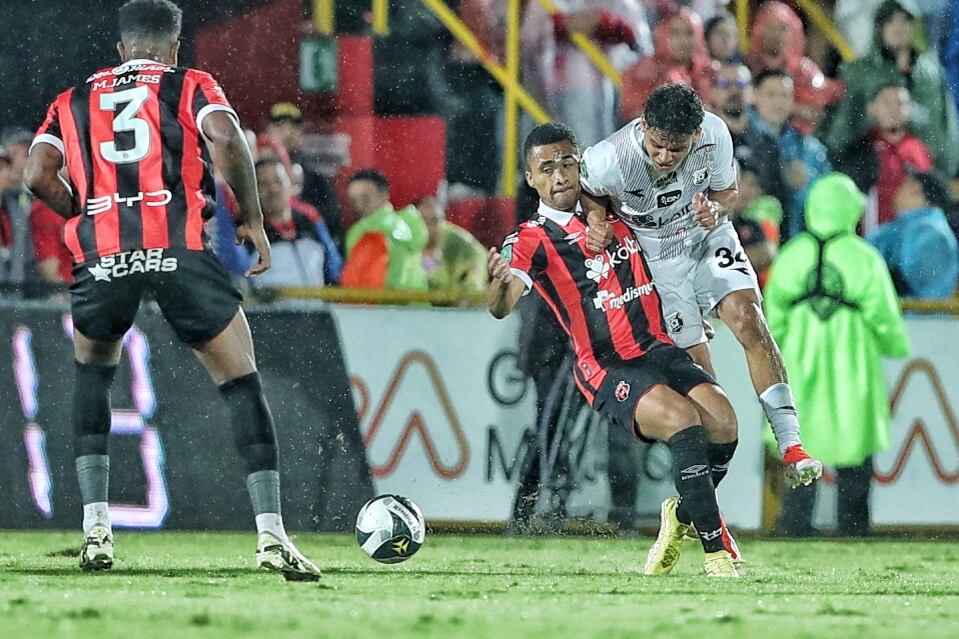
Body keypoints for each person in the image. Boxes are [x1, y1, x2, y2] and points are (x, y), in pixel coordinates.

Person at [23, 0, 321, 580]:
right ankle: (271, 537)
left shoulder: (72, 99)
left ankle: (96, 533)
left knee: (93, 374)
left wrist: (84, 211)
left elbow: (36, 174)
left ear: (120, 49)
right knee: (239, 379)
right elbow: (227, 136)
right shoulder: (190, 82)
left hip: (105, 255)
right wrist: (252, 220)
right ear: (176, 47)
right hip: (178, 249)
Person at [489, 122, 742, 577]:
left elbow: (668, 255)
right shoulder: (530, 240)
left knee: (724, 422)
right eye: (546, 168)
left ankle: (683, 514)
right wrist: (498, 284)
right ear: (531, 179)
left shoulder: (618, 208)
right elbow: (503, 304)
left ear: (580, 161)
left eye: (566, 162)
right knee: (683, 421)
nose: (559, 175)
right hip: (606, 366)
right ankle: (715, 552)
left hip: (657, 347)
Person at [579, 83, 823, 496]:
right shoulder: (609, 158)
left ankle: (791, 444)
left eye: (675, 149)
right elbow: (588, 192)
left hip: (705, 234)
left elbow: (726, 191)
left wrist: (716, 208)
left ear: (694, 135)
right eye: (656, 145)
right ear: (643, 126)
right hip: (654, 258)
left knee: (748, 319)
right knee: (702, 384)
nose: (663, 157)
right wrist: (596, 220)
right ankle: (699, 505)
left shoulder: (715, 134)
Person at [765, 173, 910, 537]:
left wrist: (777, 347)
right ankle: (854, 525)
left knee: (802, 439)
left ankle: (795, 523)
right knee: (855, 440)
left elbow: (773, 314)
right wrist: (894, 345)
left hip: (801, 361)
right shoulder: (863, 256)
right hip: (852, 361)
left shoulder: (793, 253)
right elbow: (883, 313)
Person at [821, 0, 959, 178]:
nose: (898, 28)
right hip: (873, 170)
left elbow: (946, 127)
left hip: (924, 171)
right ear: (879, 26)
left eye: (904, 21)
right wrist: (872, 116)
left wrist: (947, 169)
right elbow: (839, 133)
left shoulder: (931, 73)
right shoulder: (858, 72)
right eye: (890, 21)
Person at [749, 70, 832, 240]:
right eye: (771, 94)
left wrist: (807, 183)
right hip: (750, 237)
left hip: (795, 237)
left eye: (785, 95)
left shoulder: (807, 146)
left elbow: (827, 190)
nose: (778, 102)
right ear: (755, 95)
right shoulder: (739, 136)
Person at [744, 1, 843, 133]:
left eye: (782, 28)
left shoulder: (805, 70)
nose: (776, 34)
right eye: (771, 27)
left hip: (795, 141)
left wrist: (779, 106)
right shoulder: (746, 64)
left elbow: (815, 113)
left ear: (793, 31)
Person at [249, 157, 342, 288]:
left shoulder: (310, 220)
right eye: (264, 183)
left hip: (317, 307)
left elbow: (333, 267)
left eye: (278, 181)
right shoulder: (247, 230)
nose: (273, 189)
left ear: (291, 185)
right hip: (272, 308)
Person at [707, 62, 788, 209]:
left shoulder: (767, 144)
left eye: (741, 84)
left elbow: (777, 197)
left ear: (752, 93)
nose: (734, 91)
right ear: (713, 92)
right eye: (725, 84)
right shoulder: (702, 142)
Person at [263, 102, 343, 250]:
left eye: (294, 127)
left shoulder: (317, 182)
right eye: (280, 126)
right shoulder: (251, 177)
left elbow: (331, 227)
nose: (287, 132)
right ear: (268, 131)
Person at [868, 170, 959, 299]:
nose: (897, 190)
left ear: (916, 190)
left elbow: (922, 285)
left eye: (904, 185)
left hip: (918, 316)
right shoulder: (902, 226)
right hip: (892, 312)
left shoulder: (932, 233)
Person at [620, 7, 713, 122]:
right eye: (675, 33)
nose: (683, 40)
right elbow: (634, 118)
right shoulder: (645, 71)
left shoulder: (708, 69)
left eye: (689, 33)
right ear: (662, 35)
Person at [344, 169, 428, 291]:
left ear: (383, 195)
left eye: (365, 198)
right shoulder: (411, 223)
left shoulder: (363, 231)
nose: (358, 204)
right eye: (353, 200)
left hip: (381, 304)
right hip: (417, 303)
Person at [418, 196, 487, 293]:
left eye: (434, 221)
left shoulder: (462, 246)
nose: (429, 228)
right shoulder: (402, 245)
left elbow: (474, 288)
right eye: (423, 220)